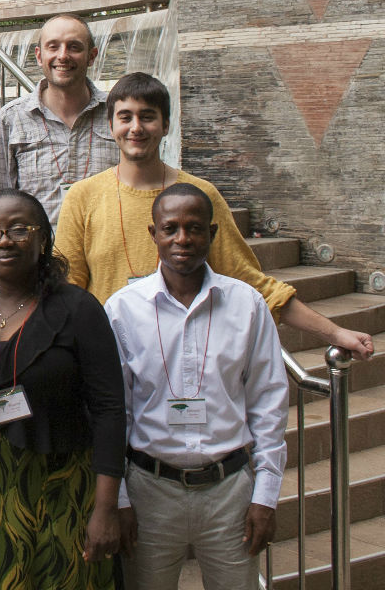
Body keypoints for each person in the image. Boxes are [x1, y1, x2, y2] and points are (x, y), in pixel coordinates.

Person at [56, 71, 374, 359]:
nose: (136, 128)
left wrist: (334, 332)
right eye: (125, 117)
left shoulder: (200, 195)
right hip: (113, 357)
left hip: (188, 355)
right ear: (111, 126)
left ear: (166, 125)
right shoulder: (84, 197)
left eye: (147, 117)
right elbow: (67, 289)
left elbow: (250, 282)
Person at [0, 189, 126, 589]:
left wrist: (106, 509)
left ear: (43, 239)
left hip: (62, 495)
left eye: (19, 229)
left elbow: (110, 411)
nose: (4, 240)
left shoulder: (78, 309)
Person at [104, 183, 288, 589]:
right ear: (153, 234)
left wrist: (265, 495)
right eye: (170, 228)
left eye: (194, 228)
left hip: (230, 492)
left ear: (213, 233)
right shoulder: (122, 309)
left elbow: (268, 404)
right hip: (150, 490)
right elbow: (116, 413)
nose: (182, 239)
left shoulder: (247, 305)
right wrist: (119, 499)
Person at [0, 13, 118, 226]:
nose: (63, 56)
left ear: (92, 56)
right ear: (39, 56)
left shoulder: (118, 114)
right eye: (53, 46)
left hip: (106, 251)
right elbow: (5, 202)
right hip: (40, 255)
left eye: (74, 47)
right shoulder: (10, 119)